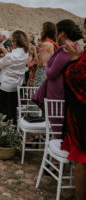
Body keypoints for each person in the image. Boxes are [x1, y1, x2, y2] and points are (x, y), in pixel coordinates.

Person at [33, 19, 83, 132]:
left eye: (57, 33)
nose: (55, 37)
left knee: (56, 128)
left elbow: (51, 74)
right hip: (65, 92)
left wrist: (46, 63)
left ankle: (54, 145)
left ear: (62, 33)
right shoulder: (77, 48)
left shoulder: (66, 50)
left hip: (57, 94)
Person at [61, 30, 86, 200]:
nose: (84, 32)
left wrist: (75, 60)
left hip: (82, 113)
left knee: (82, 159)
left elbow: (74, 75)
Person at [0, 30, 29, 124]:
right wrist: (6, 52)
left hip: (6, 85)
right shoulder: (25, 53)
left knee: (4, 111)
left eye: (12, 40)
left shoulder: (11, 56)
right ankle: (13, 129)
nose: (11, 42)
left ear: (15, 41)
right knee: (13, 108)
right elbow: (12, 59)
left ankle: (4, 131)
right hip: (17, 85)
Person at [34, 22, 59, 87]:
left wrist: (35, 51)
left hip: (42, 74)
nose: (41, 31)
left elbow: (39, 64)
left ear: (45, 31)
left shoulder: (46, 44)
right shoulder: (53, 43)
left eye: (42, 29)